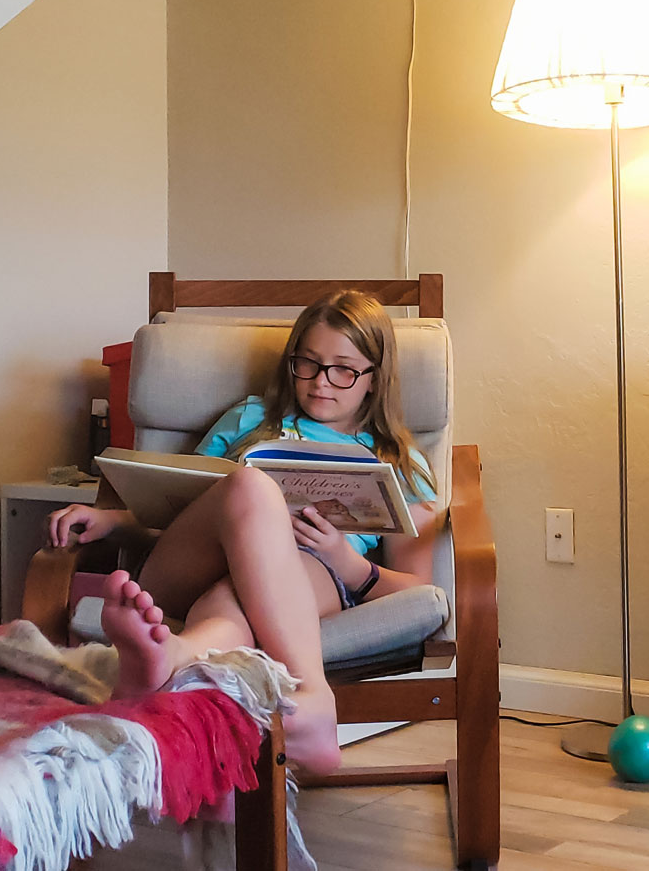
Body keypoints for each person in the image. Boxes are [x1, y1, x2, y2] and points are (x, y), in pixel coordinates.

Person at [47, 290, 441, 774]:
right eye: (308, 364)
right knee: (250, 488)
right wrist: (113, 519)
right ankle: (313, 696)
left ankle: (173, 654)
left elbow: (420, 590)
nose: (320, 382)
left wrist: (348, 562)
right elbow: (184, 500)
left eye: (343, 369)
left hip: (311, 577)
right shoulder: (250, 419)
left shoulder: (397, 460)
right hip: (191, 565)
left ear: (374, 378)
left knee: (239, 593)